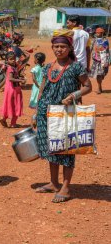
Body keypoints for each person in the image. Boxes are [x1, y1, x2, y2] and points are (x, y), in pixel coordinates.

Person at [34, 30, 92, 203]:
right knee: (52, 149)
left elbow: (87, 86)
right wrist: (36, 113)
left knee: (66, 150)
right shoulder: (47, 67)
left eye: (63, 46)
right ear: (52, 47)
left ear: (69, 48)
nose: (59, 49)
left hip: (65, 113)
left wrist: (74, 95)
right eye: (56, 46)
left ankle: (66, 188)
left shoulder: (75, 67)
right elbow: (42, 90)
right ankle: (53, 183)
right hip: (46, 112)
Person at [0, 51, 25, 128]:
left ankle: (4, 118)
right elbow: (11, 78)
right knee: (15, 105)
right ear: (7, 60)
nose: (13, 60)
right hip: (13, 89)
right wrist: (21, 80)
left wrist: (19, 78)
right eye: (11, 59)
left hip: (9, 89)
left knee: (9, 104)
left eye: (14, 59)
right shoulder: (11, 68)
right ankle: (13, 123)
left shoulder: (10, 67)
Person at [89, 27, 109, 94]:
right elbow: (90, 49)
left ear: (102, 33)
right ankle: (99, 87)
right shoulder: (94, 40)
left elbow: (107, 50)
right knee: (98, 74)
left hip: (103, 60)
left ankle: (99, 86)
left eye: (99, 32)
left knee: (101, 74)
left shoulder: (105, 40)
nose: (97, 33)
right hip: (96, 60)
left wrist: (108, 60)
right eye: (96, 32)